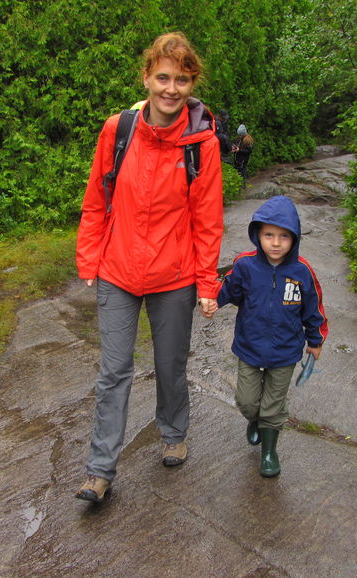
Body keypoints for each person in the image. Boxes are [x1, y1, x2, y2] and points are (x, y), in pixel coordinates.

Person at [74, 32, 224, 503]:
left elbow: (208, 219)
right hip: (118, 272)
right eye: (162, 77)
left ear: (192, 81)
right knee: (114, 371)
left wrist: (207, 282)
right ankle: (99, 471)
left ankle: (174, 432)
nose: (171, 88)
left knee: (169, 366)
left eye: (181, 79)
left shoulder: (202, 143)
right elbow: (97, 197)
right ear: (146, 77)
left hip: (174, 277)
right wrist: (90, 257)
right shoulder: (117, 129)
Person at [216, 195, 328, 477]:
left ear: (294, 238)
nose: (275, 243)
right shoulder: (245, 265)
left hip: (285, 351)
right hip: (249, 347)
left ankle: (269, 451)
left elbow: (313, 310)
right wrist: (210, 299)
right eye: (268, 235)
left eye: (283, 236)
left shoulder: (302, 271)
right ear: (257, 234)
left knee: (273, 405)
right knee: (247, 401)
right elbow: (227, 291)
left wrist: (315, 341)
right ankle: (255, 420)